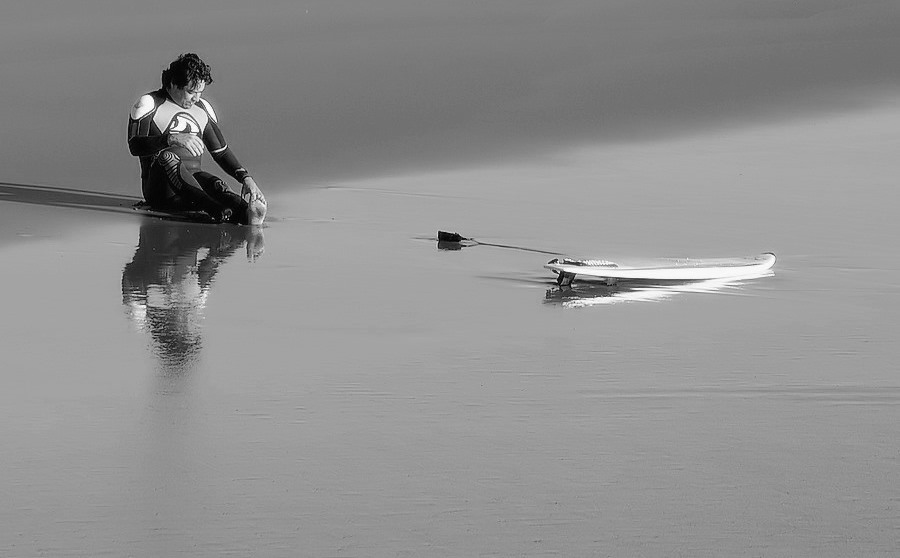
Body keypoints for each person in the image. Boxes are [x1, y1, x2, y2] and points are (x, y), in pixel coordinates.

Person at [127, 53, 266, 225]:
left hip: (194, 187)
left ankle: (246, 212)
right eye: (191, 92)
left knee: (216, 186)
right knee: (166, 157)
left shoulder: (202, 108)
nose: (196, 98)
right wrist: (171, 139)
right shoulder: (149, 104)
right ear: (173, 84)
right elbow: (135, 146)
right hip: (162, 191)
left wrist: (246, 178)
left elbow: (221, 153)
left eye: (200, 92)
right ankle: (213, 208)